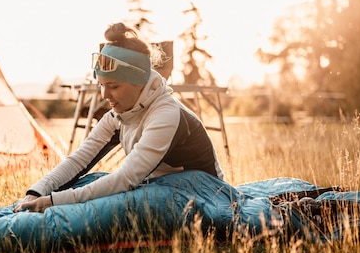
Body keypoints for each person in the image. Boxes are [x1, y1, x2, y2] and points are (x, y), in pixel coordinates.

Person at [14, 22, 224, 213]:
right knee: (91, 182)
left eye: (113, 86)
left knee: (106, 197)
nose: (105, 96)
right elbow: (79, 160)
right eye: (102, 86)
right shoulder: (119, 115)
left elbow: (126, 179)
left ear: (139, 83)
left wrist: (53, 202)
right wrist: (38, 191)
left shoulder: (166, 114)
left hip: (203, 193)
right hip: (157, 188)